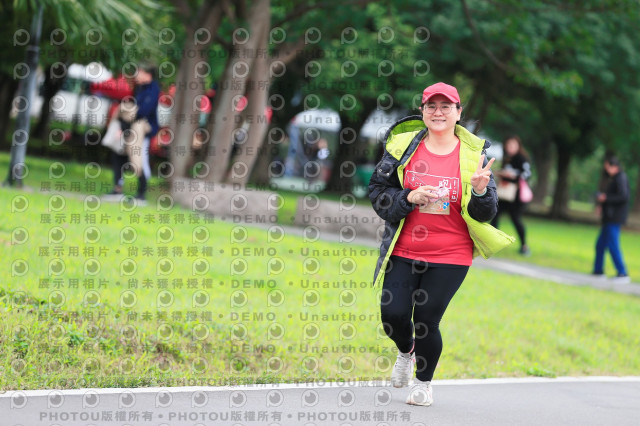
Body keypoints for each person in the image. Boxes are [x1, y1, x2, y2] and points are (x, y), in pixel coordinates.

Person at [368, 82, 514, 406]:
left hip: (451, 253)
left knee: (426, 319)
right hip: (404, 249)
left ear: (458, 113)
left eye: (446, 106)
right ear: (422, 112)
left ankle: (423, 383)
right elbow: (378, 191)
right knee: (392, 315)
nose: (438, 112)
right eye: (431, 106)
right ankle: (406, 351)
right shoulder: (403, 148)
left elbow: (486, 213)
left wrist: (480, 191)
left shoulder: (474, 154)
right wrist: (408, 197)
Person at [104, 62, 159, 205]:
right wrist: (123, 126)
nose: (136, 74)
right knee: (119, 154)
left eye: (139, 71)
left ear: (147, 74)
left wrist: (126, 122)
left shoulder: (153, 88)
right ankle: (118, 188)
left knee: (139, 160)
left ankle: (141, 194)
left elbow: (143, 112)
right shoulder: (140, 88)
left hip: (142, 132)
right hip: (129, 128)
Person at [490, 135, 532, 255]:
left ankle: (524, 246)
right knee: (494, 215)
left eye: (512, 145)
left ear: (518, 146)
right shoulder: (507, 158)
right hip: (504, 195)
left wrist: (513, 176)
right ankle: (492, 242)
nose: (510, 147)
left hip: (516, 197)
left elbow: (527, 174)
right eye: (508, 145)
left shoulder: (521, 158)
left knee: (516, 219)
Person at [593, 155, 630, 284]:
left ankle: (622, 273)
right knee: (600, 245)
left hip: (614, 218)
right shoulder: (614, 179)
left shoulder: (621, 178)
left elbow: (623, 196)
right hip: (608, 217)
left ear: (614, 166)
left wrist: (606, 198)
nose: (606, 170)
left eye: (608, 167)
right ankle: (598, 271)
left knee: (613, 245)